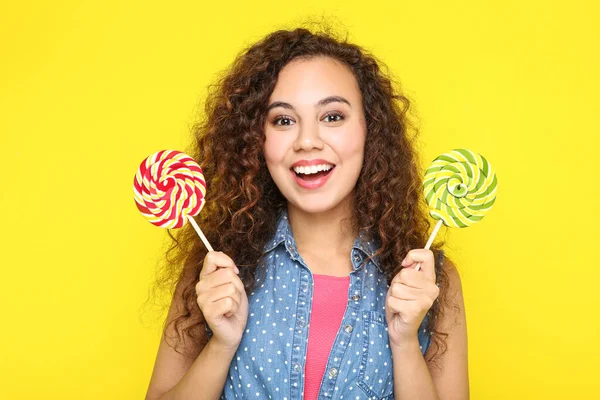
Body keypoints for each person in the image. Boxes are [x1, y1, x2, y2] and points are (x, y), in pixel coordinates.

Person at [145, 25, 469, 400]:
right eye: (283, 120)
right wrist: (221, 344)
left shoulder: (430, 280)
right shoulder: (215, 268)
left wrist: (404, 341)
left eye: (332, 116)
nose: (307, 141)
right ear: (256, 139)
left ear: (370, 130)